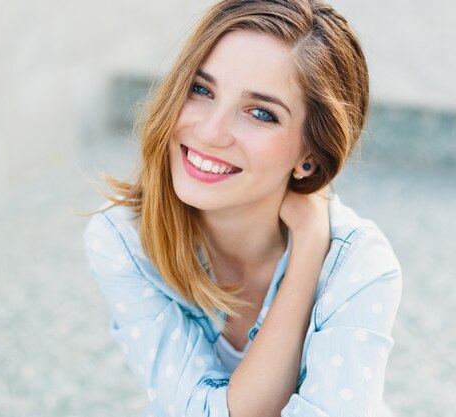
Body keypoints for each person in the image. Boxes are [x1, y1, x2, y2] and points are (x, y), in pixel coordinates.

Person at [83, 0, 402, 416]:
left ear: (310, 155)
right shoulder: (125, 241)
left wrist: (311, 249)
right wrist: (308, 242)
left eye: (260, 113)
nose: (210, 132)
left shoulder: (359, 267)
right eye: (201, 89)